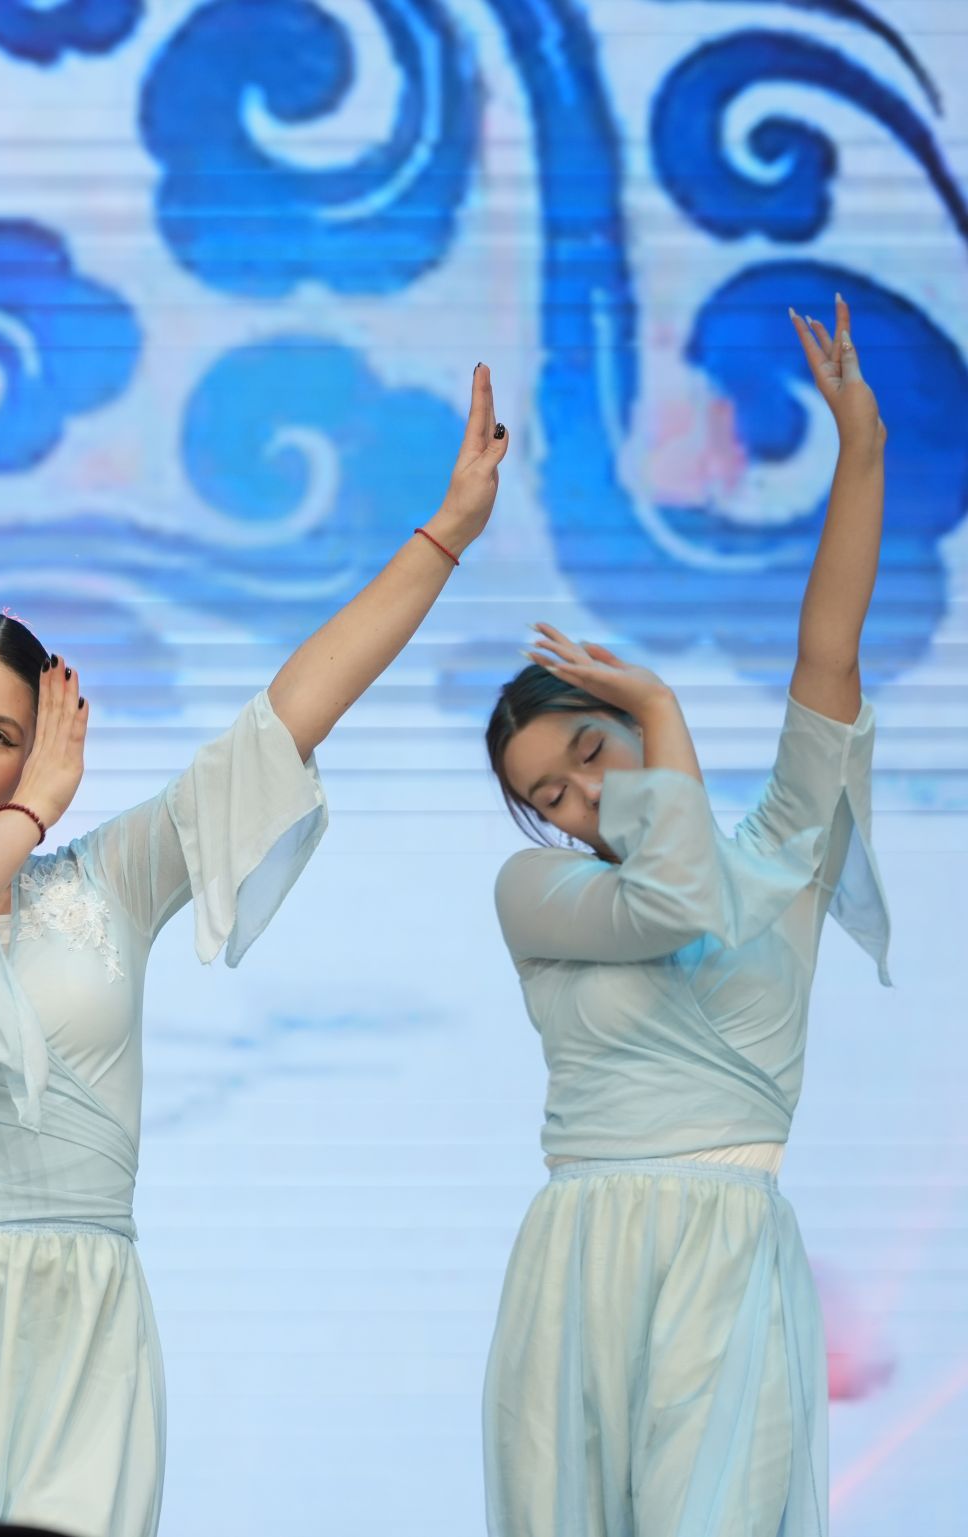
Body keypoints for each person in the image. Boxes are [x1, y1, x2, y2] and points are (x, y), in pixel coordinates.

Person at [0, 371, 513, 1535]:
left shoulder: (104, 883)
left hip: (80, 1328)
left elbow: (285, 720)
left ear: (35, 752)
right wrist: (32, 809)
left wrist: (445, 535)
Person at [480, 298, 891, 1534]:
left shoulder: (780, 854)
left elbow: (828, 654)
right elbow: (664, 900)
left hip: (727, 1251)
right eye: (545, 797)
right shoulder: (537, 895)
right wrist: (656, 714)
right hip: (581, 1257)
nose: (578, 799)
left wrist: (860, 449)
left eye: (586, 750)